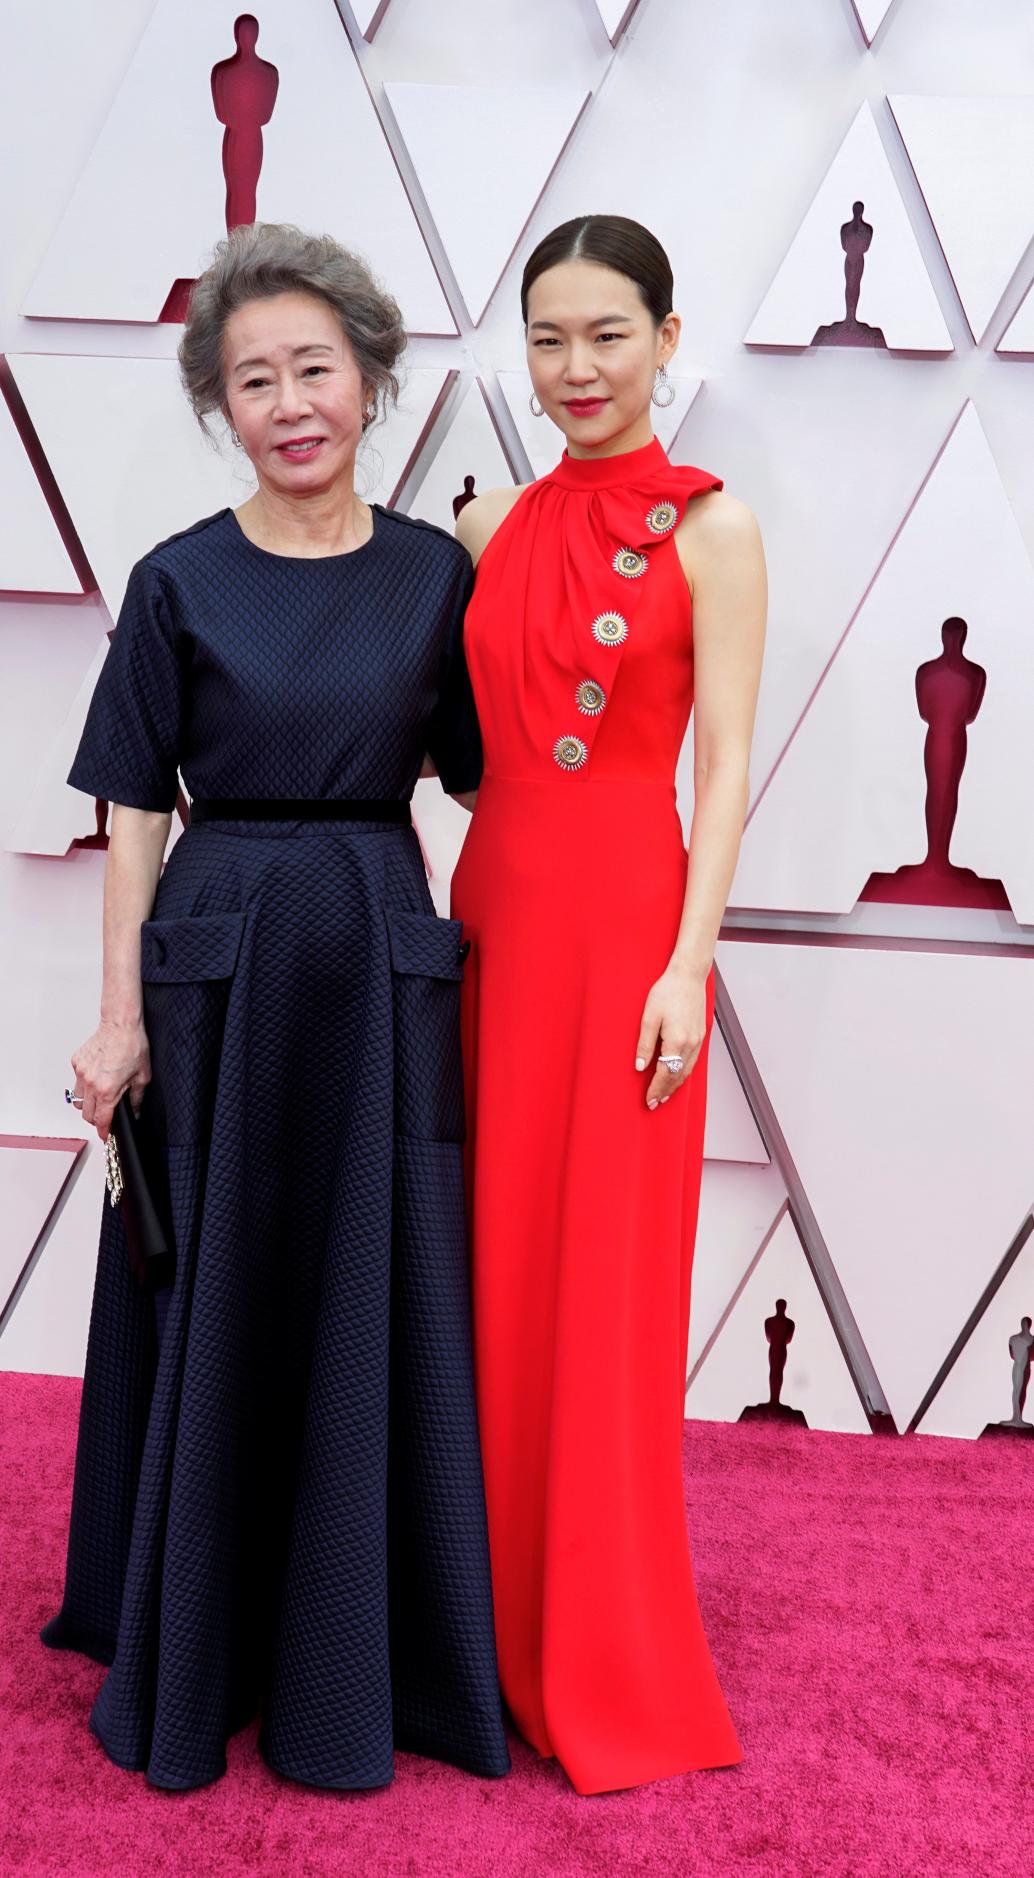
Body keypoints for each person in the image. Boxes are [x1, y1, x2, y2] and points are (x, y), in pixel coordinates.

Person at [41, 221, 509, 1795]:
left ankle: (351, 1633)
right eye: (254, 379)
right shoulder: (177, 578)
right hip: (221, 965)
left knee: (374, 1287)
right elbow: (130, 809)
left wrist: (510, 570)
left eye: (315, 367)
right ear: (219, 405)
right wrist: (118, 1018)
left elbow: (484, 776)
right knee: (214, 1286)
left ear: (371, 380)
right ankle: (196, 1625)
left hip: (377, 957)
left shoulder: (433, 574)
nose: (289, 401)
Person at [452, 214, 766, 1795]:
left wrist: (688, 959)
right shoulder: (488, 518)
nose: (577, 369)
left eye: (607, 336)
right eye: (548, 338)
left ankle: (598, 1651)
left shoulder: (712, 530)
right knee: (483, 1280)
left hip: (626, 941)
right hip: (489, 931)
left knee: (603, 1297)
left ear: (663, 334)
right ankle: (471, 1636)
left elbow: (723, 768)